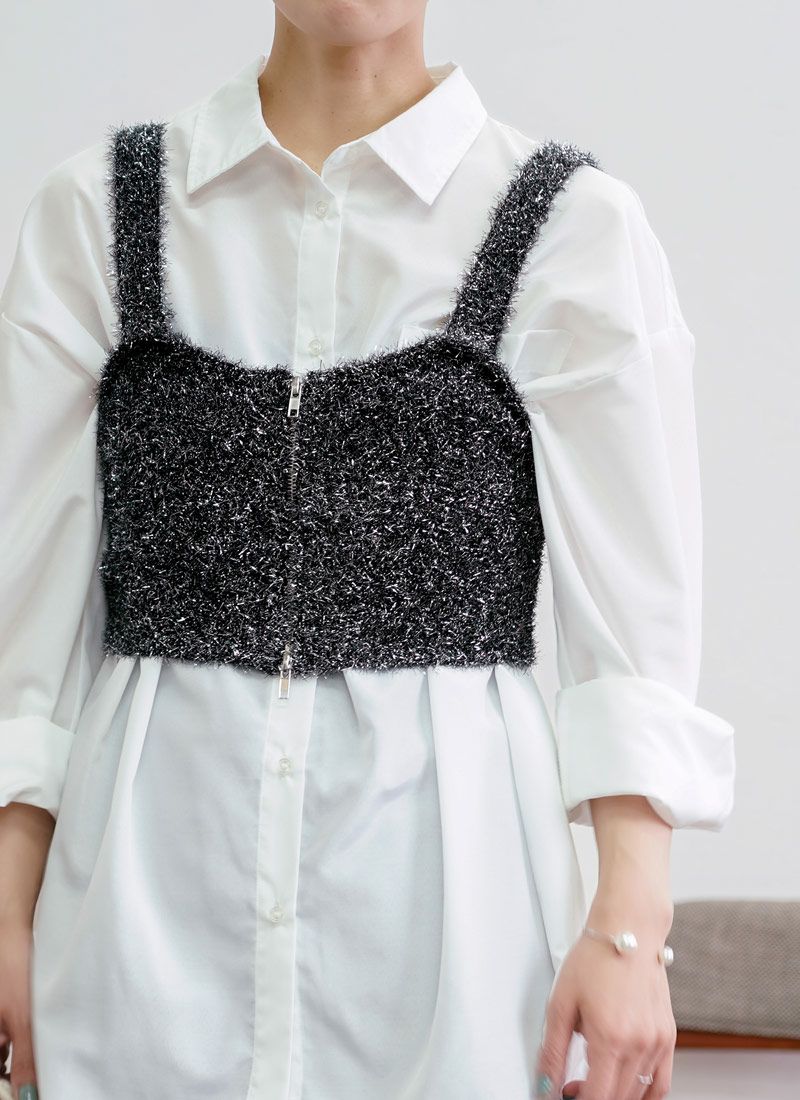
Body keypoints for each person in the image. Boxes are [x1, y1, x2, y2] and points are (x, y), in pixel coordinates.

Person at [0, 3, 736, 1099]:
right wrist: (7, 913)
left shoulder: (574, 228)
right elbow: (26, 619)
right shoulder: (94, 212)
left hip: (455, 932)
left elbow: (632, 637)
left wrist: (629, 931)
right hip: (139, 921)